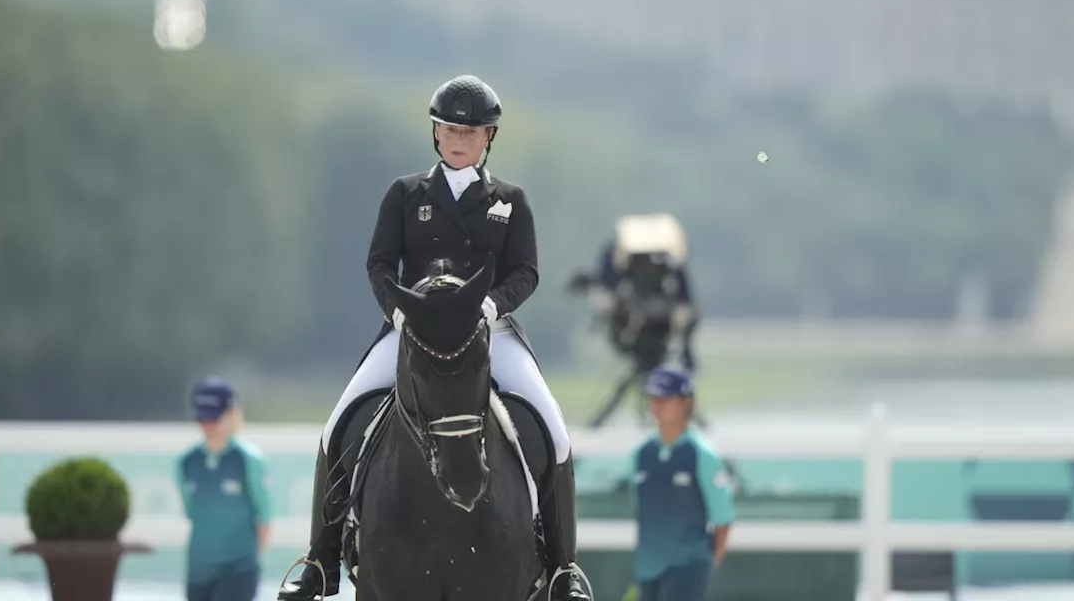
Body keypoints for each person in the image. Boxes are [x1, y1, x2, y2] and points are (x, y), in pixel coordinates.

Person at [277, 74, 589, 601]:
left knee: (554, 431)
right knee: (337, 426)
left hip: (489, 331)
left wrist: (491, 307)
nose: (458, 139)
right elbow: (379, 263)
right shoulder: (404, 194)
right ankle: (320, 561)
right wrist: (398, 315)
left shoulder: (509, 200)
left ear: (489, 136)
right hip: (412, 330)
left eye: (470, 131)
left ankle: (564, 570)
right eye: (449, 129)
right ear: (436, 133)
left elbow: (526, 272)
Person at [629, 365, 735, 601]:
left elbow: (723, 518)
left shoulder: (702, 454)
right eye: (653, 397)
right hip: (647, 569)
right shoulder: (641, 454)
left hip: (688, 568)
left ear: (685, 401)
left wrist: (704, 566)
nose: (657, 404)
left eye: (665, 397)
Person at [178, 376, 272, 601]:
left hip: (238, 570)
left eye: (214, 417)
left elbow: (264, 516)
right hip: (198, 569)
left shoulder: (249, 460)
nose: (207, 425)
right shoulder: (186, 462)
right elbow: (192, 511)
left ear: (231, 414)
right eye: (202, 418)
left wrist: (247, 561)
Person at [595, 214, 699, 372]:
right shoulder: (665, 264)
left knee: (684, 319)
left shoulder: (664, 265)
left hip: (653, 318)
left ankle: (686, 359)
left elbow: (609, 282)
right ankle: (686, 361)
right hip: (645, 317)